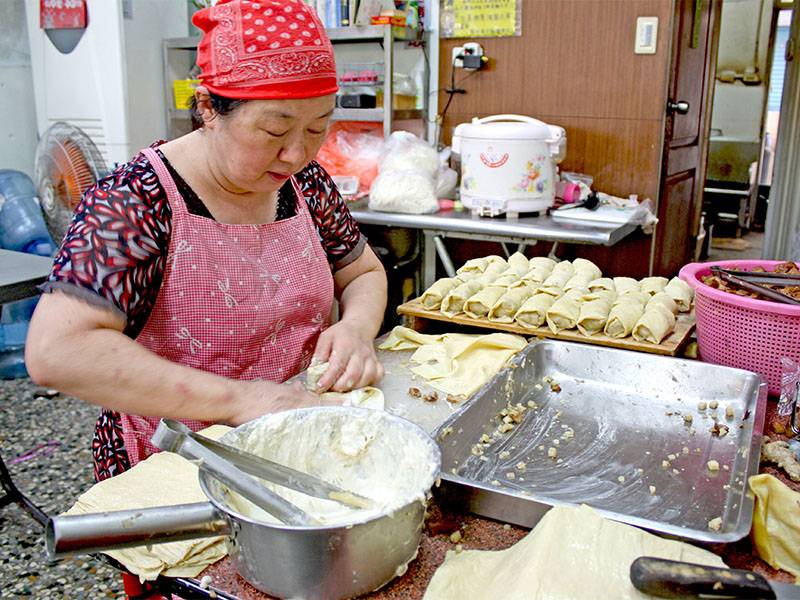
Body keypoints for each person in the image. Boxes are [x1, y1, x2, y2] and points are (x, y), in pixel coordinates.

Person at [25, 0, 387, 482]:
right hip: (177, 459)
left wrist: (356, 329)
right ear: (208, 108)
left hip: (296, 435)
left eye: (317, 128)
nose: (296, 152)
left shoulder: (305, 183)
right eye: (274, 129)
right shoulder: (136, 201)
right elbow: (57, 352)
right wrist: (241, 400)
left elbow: (361, 271)